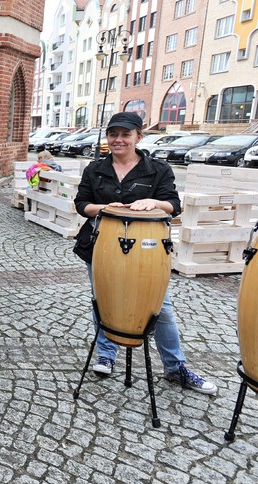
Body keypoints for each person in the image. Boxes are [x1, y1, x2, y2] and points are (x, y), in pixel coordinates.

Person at [73, 111, 217, 395]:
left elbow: (173, 205)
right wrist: (104, 208)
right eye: (113, 134)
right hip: (101, 245)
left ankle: (176, 368)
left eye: (126, 134)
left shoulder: (157, 170)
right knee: (102, 300)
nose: (119, 140)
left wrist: (153, 201)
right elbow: (82, 204)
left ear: (139, 136)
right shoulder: (95, 169)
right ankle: (106, 354)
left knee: (160, 309)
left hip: (148, 250)